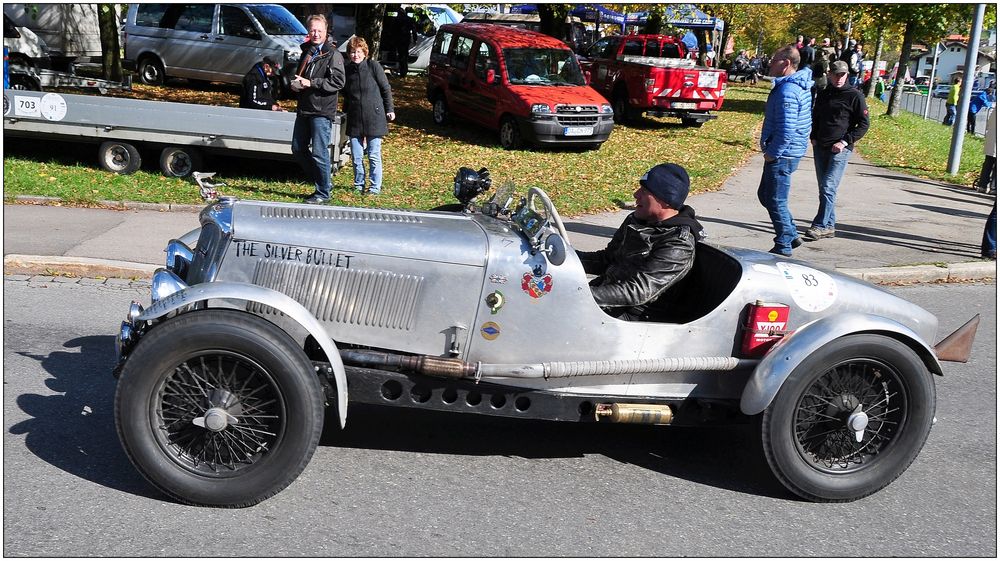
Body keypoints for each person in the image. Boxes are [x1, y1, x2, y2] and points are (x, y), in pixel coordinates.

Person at [576, 163, 705, 322]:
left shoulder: (678, 243)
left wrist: (581, 295)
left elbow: (638, 291)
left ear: (665, 200)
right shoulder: (637, 220)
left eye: (644, 191)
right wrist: (567, 259)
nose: (636, 194)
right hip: (605, 300)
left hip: (633, 319)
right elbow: (607, 259)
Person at [757, 46, 814, 256]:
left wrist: (774, 152)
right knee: (765, 195)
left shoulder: (787, 91)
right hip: (786, 151)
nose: (770, 63)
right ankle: (791, 234)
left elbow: (787, 128)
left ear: (786, 63)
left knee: (775, 199)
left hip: (783, 153)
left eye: (774, 60)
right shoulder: (792, 86)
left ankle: (784, 244)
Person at [805, 60, 870, 242]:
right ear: (830, 74)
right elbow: (816, 116)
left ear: (847, 75)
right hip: (821, 146)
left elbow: (864, 125)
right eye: (836, 74)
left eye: (842, 75)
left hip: (840, 149)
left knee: (828, 187)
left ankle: (819, 225)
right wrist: (814, 136)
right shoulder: (824, 94)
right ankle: (829, 226)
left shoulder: (855, 96)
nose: (839, 78)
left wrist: (844, 141)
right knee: (825, 189)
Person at [291, 14, 346, 205]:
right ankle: (324, 182)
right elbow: (302, 76)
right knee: (297, 148)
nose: (316, 34)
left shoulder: (333, 54)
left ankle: (323, 192)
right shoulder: (307, 50)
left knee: (319, 152)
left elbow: (338, 81)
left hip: (322, 110)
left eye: (319, 31)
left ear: (326, 31)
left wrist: (311, 83)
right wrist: (297, 84)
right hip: (305, 108)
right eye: (312, 30)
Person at [343, 36, 395, 195]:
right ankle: (359, 184)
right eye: (352, 52)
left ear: (364, 52)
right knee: (357, 156)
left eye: (358, 52)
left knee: (373, 155)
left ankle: (374, 187)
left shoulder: (373, 66)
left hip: (374, 117)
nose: (355, 55)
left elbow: (385, 89)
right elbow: (345, 93)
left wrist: (389, 109)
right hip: (355, 119)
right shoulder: (347, 70)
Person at [977, 108, 997, 193]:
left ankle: (982, 185)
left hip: (991, 140)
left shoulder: (995, 110)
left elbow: (988, 124)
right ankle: (994, 187)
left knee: (988, 163)